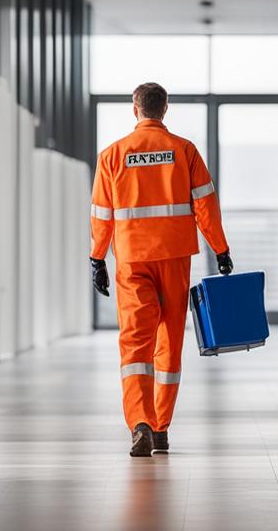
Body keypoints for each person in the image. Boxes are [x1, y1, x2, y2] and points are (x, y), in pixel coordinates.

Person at [89, 82, 233, 458]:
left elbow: (101, 214)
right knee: (169, 343)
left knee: (136, 343)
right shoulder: (184, 150)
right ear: (165, 109)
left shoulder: (113, 155)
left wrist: (97, 258)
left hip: (132, 260)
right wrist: (221, 249)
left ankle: (140, 424)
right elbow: (205, 206)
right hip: (174, 258)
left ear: (134, 109)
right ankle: (161, 427)